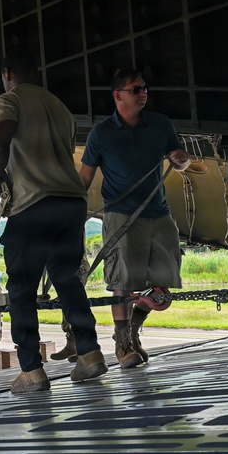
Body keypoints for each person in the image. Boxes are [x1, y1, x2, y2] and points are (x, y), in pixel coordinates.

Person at [0, 49, 106, 394]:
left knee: (22, 287)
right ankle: (89, 353)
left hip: (33, 203)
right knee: (67, 279)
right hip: (71, 203)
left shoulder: (9, 100)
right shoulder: (60, 108)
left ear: (7, 74)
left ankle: (31, 370)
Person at [79, 68, 190, 368]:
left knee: (162, 291)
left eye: (144, 88)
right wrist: (71, 214)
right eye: (136, 89)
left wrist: (183, 160)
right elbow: (84, 178)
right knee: (123, 283)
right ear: (118, 95)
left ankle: (134, 328)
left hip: (159, 213)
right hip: (121, 217)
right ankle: (123, 344)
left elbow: (179, 161)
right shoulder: (101, 134)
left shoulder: (160, 124)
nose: (143, 94)